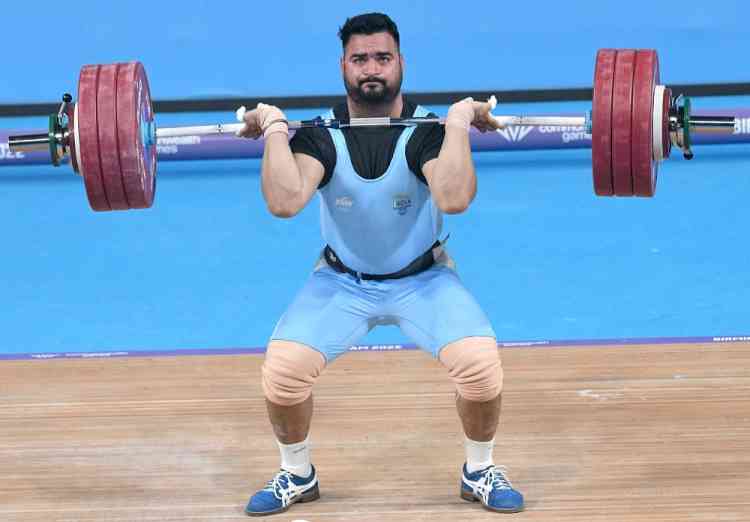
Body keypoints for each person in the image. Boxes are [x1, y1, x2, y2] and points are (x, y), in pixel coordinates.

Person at [237, 12, 524, 517]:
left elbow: (454, 197)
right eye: (360, 58)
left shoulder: (426, 133)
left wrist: (456, 123)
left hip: (424, 279)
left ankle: (477, 470)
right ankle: (297, 473)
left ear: (401, 63)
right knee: (283, 373)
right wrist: (277, 129)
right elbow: (284, 202)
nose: (372, 68)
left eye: (382, 57)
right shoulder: (322, 135)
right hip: (342, 282)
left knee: (480, 368)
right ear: (343, 66)